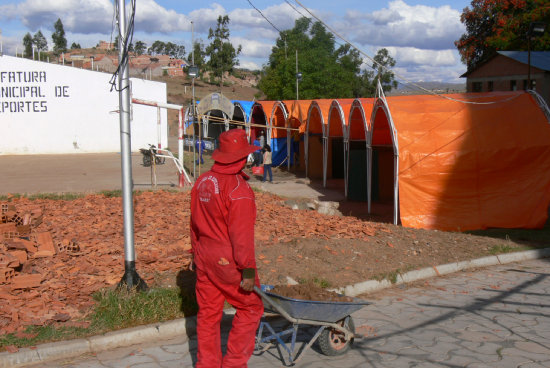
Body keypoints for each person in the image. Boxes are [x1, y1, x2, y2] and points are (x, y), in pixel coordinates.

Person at [189, 129, 264, 368]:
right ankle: (233, 363)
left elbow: (193, 221)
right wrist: (249, 272)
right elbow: (242, 239)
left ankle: (207, 364)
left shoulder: (202, 181)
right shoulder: (238, 190)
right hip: (227, 261)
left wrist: (194, 253)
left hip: (204, 255)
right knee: (251, 306)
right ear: (243, 158)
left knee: (208, 314)